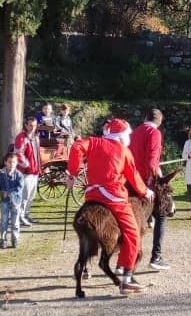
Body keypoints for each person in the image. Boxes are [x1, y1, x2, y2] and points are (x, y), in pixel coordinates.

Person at [67, 118, 154, 294]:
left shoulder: (93, 141)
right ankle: (127, 277)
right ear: (123, 135)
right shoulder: (124, 151)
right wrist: (145, 192)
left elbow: (76, 147)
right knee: (133, 233)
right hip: (114, 196)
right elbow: (134, 177)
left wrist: (73, 174)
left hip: (92, 194)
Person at [130, 108, 168, 269]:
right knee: (161, 215)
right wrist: (154, 177)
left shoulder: (134, 132)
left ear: (145, 117)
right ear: (159, 122)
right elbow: (152, 159)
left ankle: (124, 260)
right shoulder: (155, 133)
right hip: (146, 180)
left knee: (131, 219)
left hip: (130, 179)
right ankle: (156, 257)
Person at [0, 151, 25, 248]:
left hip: (16, 202)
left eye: (14, 162)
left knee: (15, 222)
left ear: (16, 163)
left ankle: (15, 239)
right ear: (5, 162)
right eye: (9, 162)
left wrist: (8, 192)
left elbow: (19, 188)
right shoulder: (1, 174)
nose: (12, 164)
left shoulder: (19, 175)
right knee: (4, 221)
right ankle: (3, 239)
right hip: (4, 202)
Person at [11, 116, 41, 227]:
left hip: (34, 172)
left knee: (31, 195)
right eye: (30, 125)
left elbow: (37, 155)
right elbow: (19, 153)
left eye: (34, 125)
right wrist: (26, 165)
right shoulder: (21, 138)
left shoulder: (35, 137)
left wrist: (39, 167)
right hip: (26, 172)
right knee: (24, 196)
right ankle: (20, 217)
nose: (32, 127)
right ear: (26, 125)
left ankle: (26, 214)